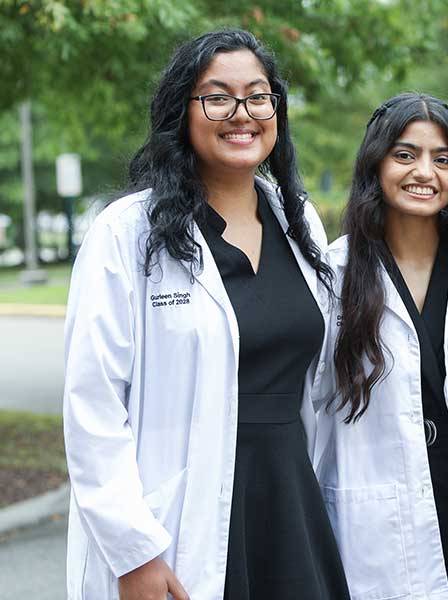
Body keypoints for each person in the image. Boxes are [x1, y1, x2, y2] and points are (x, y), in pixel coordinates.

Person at [62, 30, 349, 600]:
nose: (241, 113)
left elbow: (322, 384)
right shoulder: (127, 232)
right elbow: (92, 404)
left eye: (258, 96)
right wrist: (134, 551)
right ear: (182, 112)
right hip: (175, 520)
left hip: (289, 501)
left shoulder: (300, 225)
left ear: (276, 111)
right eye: (216, 97)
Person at [313, 93, 448, 600]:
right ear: (376, 162)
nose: (424, 171)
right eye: (405, 155)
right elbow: (307, 411)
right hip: (379, 524)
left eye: (442, 159)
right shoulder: (331, 276)